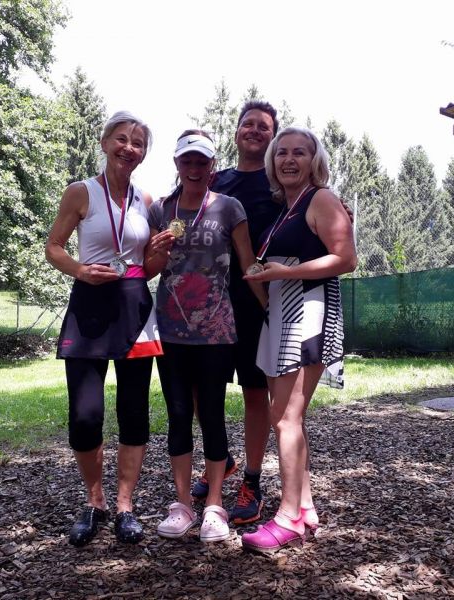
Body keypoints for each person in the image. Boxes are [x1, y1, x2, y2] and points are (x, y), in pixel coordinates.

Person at [45, 111, 161, 546]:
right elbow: (53, 247)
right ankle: (94, 502)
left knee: (134, 411)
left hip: (134, 308)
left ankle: (125, 506)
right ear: (105, 142)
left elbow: (148, 266)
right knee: (85, 415)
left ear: (144, 153)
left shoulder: (146, 200)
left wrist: (163, 252)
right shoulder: (81, 192)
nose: (129, 148)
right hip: (89, 306)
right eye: (122, 139)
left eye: (138, 143)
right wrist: (80, 270)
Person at [145, 130, 267, 543]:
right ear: (176, 164)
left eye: (202, 162)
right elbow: (148, 268)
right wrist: (157, 251)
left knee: (212, 415)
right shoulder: (161, 209)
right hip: (170, 329)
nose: (194, 168)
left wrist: (270, 307)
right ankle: (182, 505)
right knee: (179, 416)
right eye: (187, 161)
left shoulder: (229, 208)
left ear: (212, 166)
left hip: (216, 331)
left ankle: (214, 506)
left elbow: (248, 265)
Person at [240, 126, 356, 553]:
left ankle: (286, 518)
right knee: (288, 417)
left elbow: (346, 258)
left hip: (308, 312)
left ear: (314, 160)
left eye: (300, 152)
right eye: (282, 152)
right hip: (282, 313)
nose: (289, 159)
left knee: (286, 418)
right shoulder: (286, 208)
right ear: (272, 162)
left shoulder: (320, 198)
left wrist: (284, 272)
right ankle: (305, 507)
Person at [189, 101, 283, 526]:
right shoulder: (218, 180)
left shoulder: (280, 181)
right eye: (248, 124)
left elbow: (311, 208)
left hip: (255, 301)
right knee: (198, 386)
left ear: (272, 136)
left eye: (264, 127)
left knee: (253, 391)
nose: (255, 130)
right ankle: (222, 458)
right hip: (208, 299)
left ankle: (252, 480)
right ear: (237, 132)